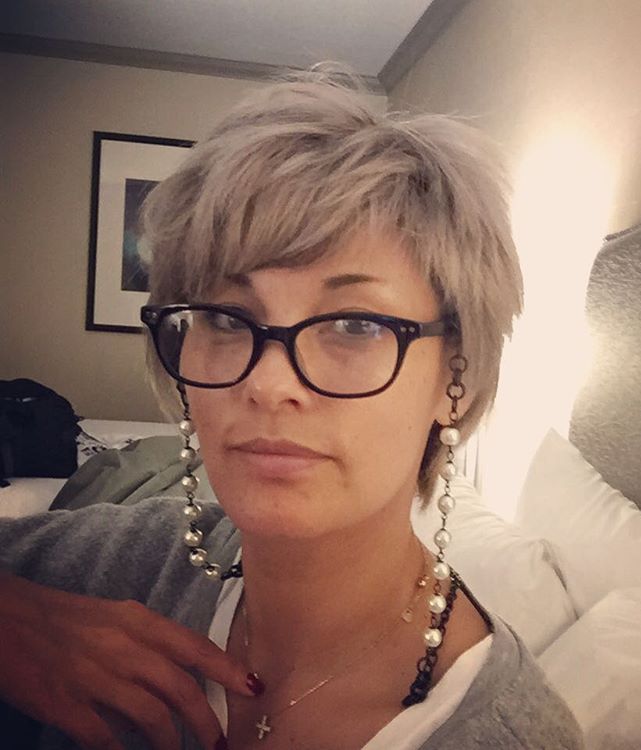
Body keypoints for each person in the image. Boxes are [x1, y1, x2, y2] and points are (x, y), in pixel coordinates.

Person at [0, 66, 584, 750]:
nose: (269, 383)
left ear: (457, 378)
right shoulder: (127, 565)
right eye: (226, 317)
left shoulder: (512, 735)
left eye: (357, 324)